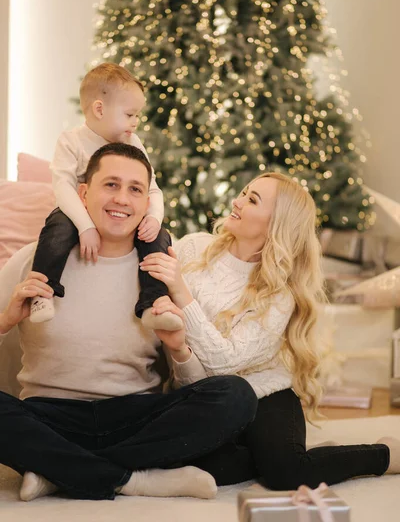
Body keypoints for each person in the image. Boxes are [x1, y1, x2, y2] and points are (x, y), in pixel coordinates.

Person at [0, 143, 258, 501]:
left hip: (134, 418)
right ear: (83, 193)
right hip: (51, 418)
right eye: (111, 185)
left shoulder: (162, 270)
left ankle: (58, 471)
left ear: (147, 202)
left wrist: (179, 349)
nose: (122, 199)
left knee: (235, 396)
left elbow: (188, 388)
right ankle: (132, 479)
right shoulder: (35, 259)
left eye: (135, 189)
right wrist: (5, 320)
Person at [140, 171, 400, 489]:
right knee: (205, 467)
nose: (236, 202)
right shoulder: (193, 249)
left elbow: (224, 363)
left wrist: (181, 292)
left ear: (275, 223)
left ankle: (384, 455)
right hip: (209, 396)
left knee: (286, 473)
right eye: (243, 193)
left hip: (265, 391)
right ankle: (283, 455)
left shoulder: (279, 293)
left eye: (252, 200)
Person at [30, 63, 182, 333]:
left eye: (137, 115)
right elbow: (63, 187)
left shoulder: (133, 143)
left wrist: (154, 217)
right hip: (75, 209)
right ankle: (43, 292)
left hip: (117, 219)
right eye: (130, 114)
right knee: (57, 229)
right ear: (99, 109)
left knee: (158, 237)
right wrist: (84, 225)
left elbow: (153, 187)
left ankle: (153, 301)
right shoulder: (72, 141)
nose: (135, 122)